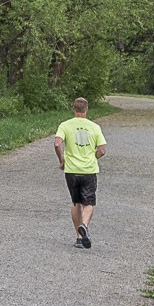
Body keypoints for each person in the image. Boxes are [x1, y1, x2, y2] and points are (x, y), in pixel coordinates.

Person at [53, 98, 107, 248]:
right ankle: (84, 225)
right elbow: (102, 150)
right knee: (88, 203)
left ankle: (78, 237)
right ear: (86, 109)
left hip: (71, 170)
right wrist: (93, 157)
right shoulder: (94, 127)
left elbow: (57, 143)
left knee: (76, 202)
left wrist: (61, 160)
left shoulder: (65, 125)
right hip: (89, 170)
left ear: (73, 109)